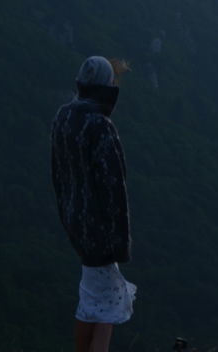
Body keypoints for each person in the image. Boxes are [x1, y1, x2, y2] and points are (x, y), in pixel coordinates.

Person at [51, 56, 138, 352]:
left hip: (75, 219)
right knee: (108, 303)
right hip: (100, 224)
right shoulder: (100, 125)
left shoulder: (64, 116)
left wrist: (66, 211)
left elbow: (57, 171)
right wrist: (119, 236)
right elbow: (113, 185)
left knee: (91, 296)